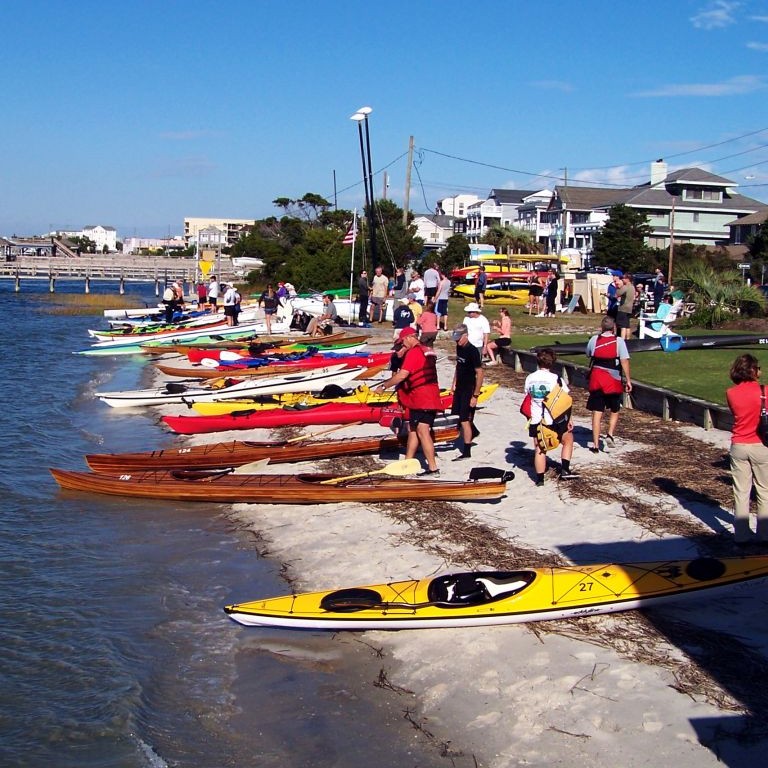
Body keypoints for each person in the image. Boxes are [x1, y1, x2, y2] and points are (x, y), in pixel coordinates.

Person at [374, 326, 442, 475]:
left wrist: (384, 386)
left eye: (403, 342)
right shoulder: (426, 349)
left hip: (422, 398)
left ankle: (433, 468)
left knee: (422, 431)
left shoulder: (414, 353)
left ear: (409, 338)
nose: (403, 345)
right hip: (429, 396)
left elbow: (401, 375)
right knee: (412, 430)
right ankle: (407, 463)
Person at [726, 354, 768, 544]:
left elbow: (736, 414)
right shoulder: (764, 391)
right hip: (760, 444)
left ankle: (741, 535)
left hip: (739, 445)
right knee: (764, 492)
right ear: (753, 370)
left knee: (741, 492)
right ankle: (764, 534)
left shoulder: (731, 393)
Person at [524, 348, 577, 486]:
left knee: (540, 449)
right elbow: (565, 400)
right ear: (552, 362)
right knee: (568, 439)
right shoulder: (556, 379)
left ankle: (540, 479)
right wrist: (569, 418)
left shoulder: (530, 378)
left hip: (536, 419)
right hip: (554, 418)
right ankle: (565, 470)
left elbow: (527, 396)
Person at [585, 316, 632, 453]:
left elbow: (588, 354)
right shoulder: (619, 342)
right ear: (614, 328)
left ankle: (595, 445)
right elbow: (624, 361)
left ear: (601, 327)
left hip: (597, 378)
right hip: (613, 379)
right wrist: (628, 379)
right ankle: (610, 434)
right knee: (615, 409)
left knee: (597, 412)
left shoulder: (594, 340)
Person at [450, 323, 484, 460]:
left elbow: (480, 373)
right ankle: (473, 431)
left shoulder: (473, 350)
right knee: (457, 415)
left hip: (469, 388)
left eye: (459, 339)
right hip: (459, 386)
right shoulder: (459, 347)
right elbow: (458, 366)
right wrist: (453, 383)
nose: (457, 341)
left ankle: (467, 451)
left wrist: (475, 395)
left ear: (466, 336)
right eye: (456, 339)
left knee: (464, 419)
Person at [615, 273, 635, 340]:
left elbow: (617, 294)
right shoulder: (632, 287)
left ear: (627, 279)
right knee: (627, 326)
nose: (622, 279)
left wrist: (618, 286)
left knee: (622, 326)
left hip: (623, 308)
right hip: (629, 308)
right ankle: (628, 339)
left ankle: (622, 340)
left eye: (623, 278)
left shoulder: (625, 287)